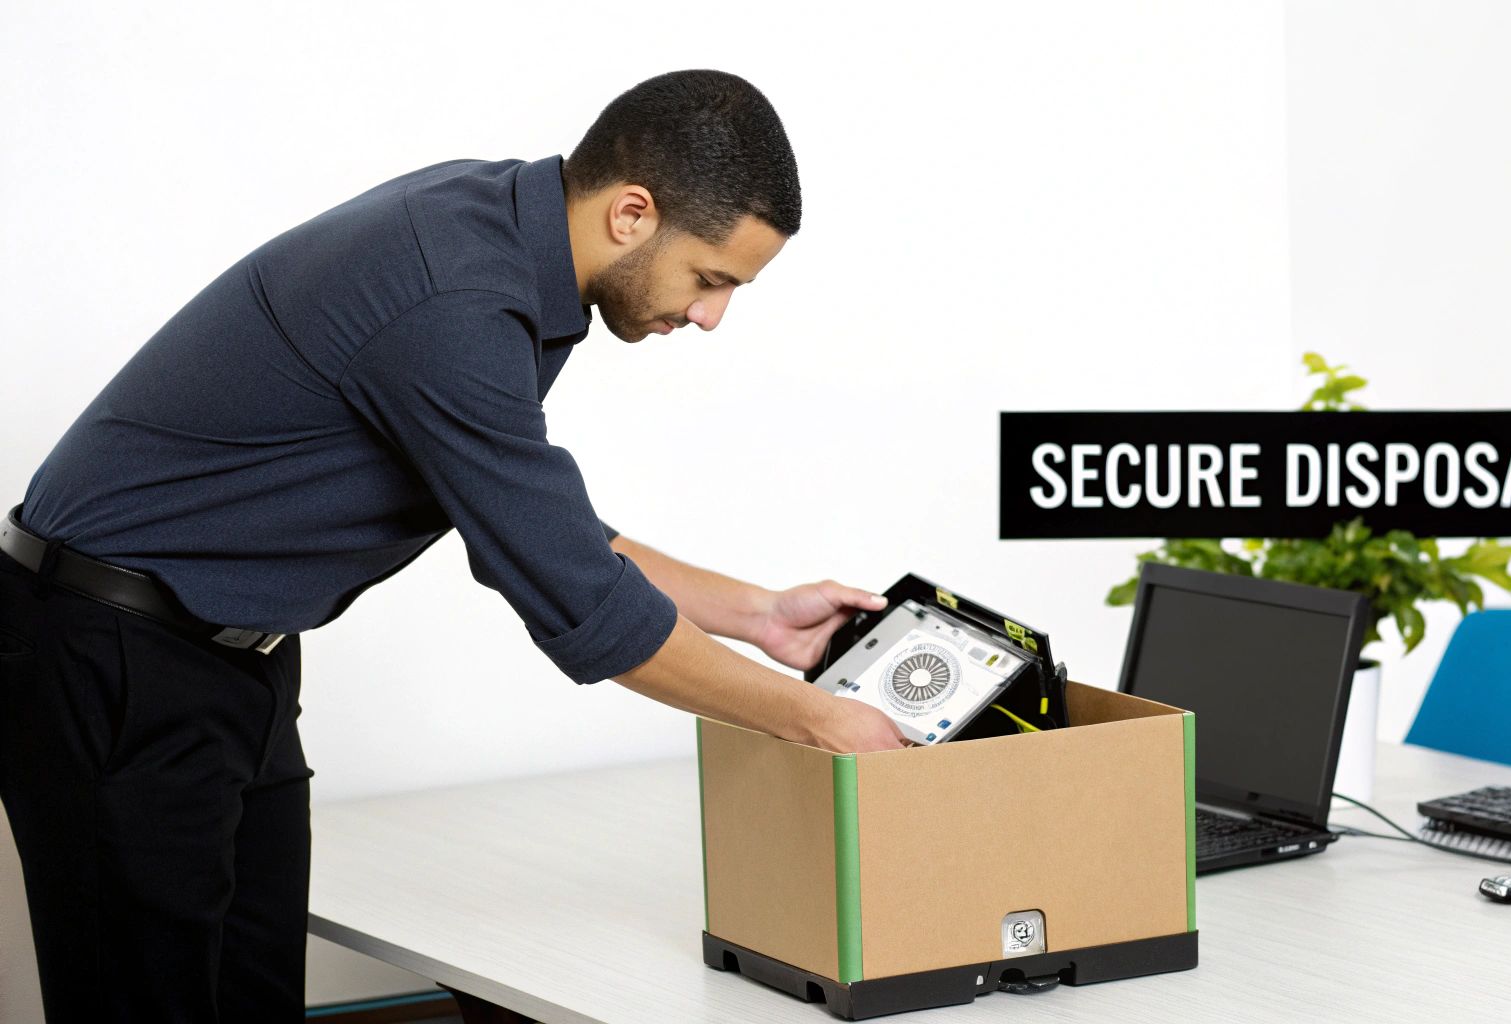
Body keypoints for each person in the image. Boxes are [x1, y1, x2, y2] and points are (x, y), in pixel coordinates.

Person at [0, 68, 903, 1022]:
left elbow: (539, 527)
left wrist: (759, 616)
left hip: (227, 661)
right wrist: (814, 722)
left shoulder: (498, 233)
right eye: (712, 278)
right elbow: (585, 606)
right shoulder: (454, 297)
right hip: (112, 654)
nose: (712, 315)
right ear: (633, 214)